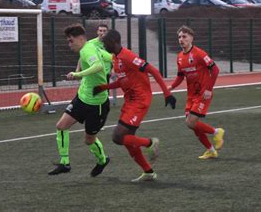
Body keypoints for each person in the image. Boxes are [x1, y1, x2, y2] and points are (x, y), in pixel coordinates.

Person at [93, 29, 176, 182]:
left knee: (118, 137)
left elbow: (153, 70)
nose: (104, 46)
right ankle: (148, 171)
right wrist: (103, 87)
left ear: (115, 42)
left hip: (140, 100)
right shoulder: (115, 58)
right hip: (130, 101)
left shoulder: (128, 56)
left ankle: (150, 143)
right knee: (128, 140)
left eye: (106, 43)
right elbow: (123, 81)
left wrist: (167, 93)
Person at [49, 23, 111, 177]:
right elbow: (106, 57)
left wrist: (78, 74)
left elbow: (97, 66)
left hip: (97, 105)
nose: (69, 44)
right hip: (82, 98)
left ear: (81, 38)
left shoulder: (87, 49)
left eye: (71, 41)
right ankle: (65, 163)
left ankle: (102, 160)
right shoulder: (88, 47)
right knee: (61, 126)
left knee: (89, 140)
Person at [168, 26, 224, 160]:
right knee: (193, 126)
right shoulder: (180, 57)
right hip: (191, 95)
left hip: (203, 94)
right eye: (179, 37)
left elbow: (215, 70)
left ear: (191, 38)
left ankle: (217, 132)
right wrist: (171, 87)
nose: (181, 39)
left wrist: (209, 89)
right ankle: (211, 150)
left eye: (184, 37)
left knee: (190, 122)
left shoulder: (199, 53)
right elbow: (180, 76)